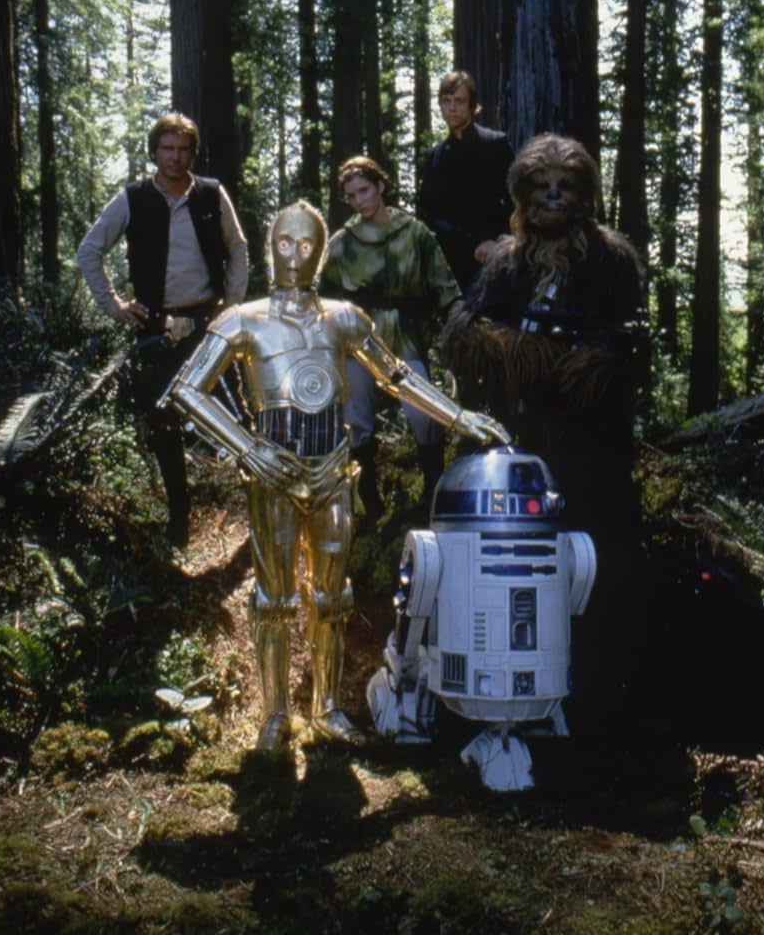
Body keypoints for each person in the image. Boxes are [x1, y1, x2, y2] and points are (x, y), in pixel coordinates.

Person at [163, 201, 508, 752]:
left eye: (306, 246)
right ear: (268, 247)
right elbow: (185, 389)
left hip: (330, 470)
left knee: (331, 597)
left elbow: (396, 377)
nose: (294, 256)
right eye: (284, 244)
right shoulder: (242, 319)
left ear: (321, 253)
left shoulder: (344, 318)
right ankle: (275, 712)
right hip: (271, 470)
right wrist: (247, 448)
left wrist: (458, 417)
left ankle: (326, 706)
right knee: (273, 601)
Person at [444, 133, 649, 734]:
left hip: (591, 442)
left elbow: (632, 338)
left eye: (565, 186)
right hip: (523, 437)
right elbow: (465, 325)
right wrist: (520, 353)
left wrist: (592, 364)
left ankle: (600, 694)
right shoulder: (508, 262)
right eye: (541, 186)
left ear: (586, 195)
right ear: (522, 196)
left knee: (597, 561)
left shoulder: (611, 261)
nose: (553, 196)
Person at [77, 112, 248, 546]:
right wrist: (115, 306)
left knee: (237, 416)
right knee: (162, 421)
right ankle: (179, 517)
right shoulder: (133, 198)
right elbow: (89, 250)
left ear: (193, 152)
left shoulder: (210, 195)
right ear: (154, 152)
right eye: (167, 149)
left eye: (182, 149)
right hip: (155, 327)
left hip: (210, 327)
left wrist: (232, 306)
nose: (175, 157)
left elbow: (239, 248)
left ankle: (259, 511)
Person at [320, 156, 461, 523]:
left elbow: (444, 284)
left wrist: (458, 322)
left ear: (380, 186)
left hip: (406, 339)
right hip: (359, 343)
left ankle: (432, 490)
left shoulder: (414, 233)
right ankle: (368, 500)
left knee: (423, 412)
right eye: (350, 196)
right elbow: (321, 298)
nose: (359, 200)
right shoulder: (341, 244)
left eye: (364, 190)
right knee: (356, 418)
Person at [417, 70, 514, 292]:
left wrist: (498, 243)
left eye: (459, 101)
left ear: (472, 105)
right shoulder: (435, 156)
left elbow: (515, 203)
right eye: (446, 101)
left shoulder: (495, 145)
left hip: (494, 259)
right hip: (450, 265)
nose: (452, 108)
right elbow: (427, 213)